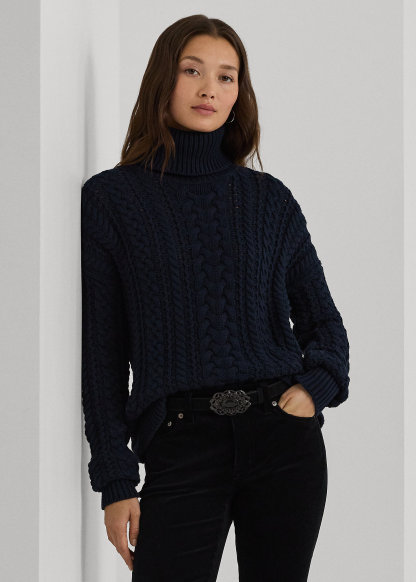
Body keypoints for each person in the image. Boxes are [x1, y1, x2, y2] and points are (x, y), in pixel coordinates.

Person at [81, 14, 350, 582]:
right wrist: (115, 481)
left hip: (283, 442)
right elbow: (102, 353)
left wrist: (314, 390)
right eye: (192, 70)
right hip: (179, 443)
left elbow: (325, 325)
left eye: (227, 77)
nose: (209, 89)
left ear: (238, 94)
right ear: (163, 79)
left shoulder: (269, 200)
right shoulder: (111, 200)